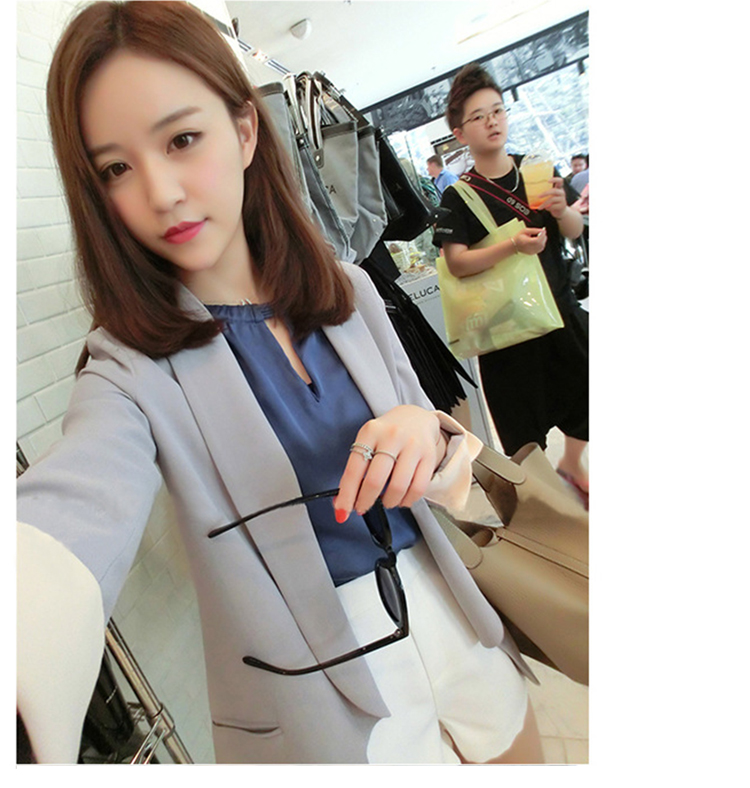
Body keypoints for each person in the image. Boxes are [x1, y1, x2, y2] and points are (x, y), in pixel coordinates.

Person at [16, 2, 545, 765]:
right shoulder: (127, 368)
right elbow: (74, 505)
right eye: (116, 168)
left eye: (181, 139)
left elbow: (446, 459)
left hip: (453, 612)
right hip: (324, 691)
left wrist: (425, 434)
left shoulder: (347, 291)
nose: (161, 191)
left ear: (243, 130)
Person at [432, 63, 589, 504]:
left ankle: (572, 463)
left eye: (498, 110)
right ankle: (551, 511)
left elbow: (574, 231)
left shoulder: (536, 169)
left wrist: (562, 210)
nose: (492, 121)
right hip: (507, 335)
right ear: (460, 133)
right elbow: (457, 263)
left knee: (589, 400)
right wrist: (512, 246)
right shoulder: (459, 196)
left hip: (559, 314)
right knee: (523, 441)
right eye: (478, 116)